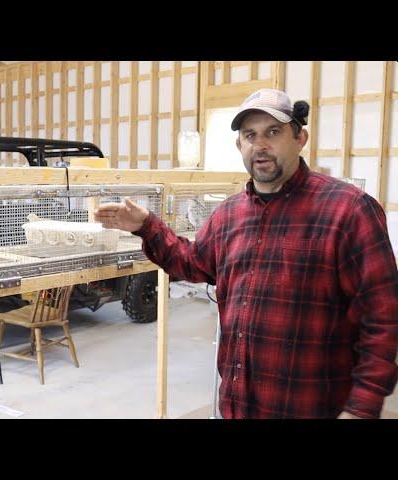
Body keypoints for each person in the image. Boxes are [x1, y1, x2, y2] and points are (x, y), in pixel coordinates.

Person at [95, 88, 398, 419]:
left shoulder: (349, 211)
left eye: (273, 132)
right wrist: (146, 226)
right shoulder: (229, 214)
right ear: (240, 146)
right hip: (239, 407)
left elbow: (383, 319)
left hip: (312, 406)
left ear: (300, 138)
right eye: (249, 135)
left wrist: (361, 408)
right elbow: (191, 263)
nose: (260, 144)